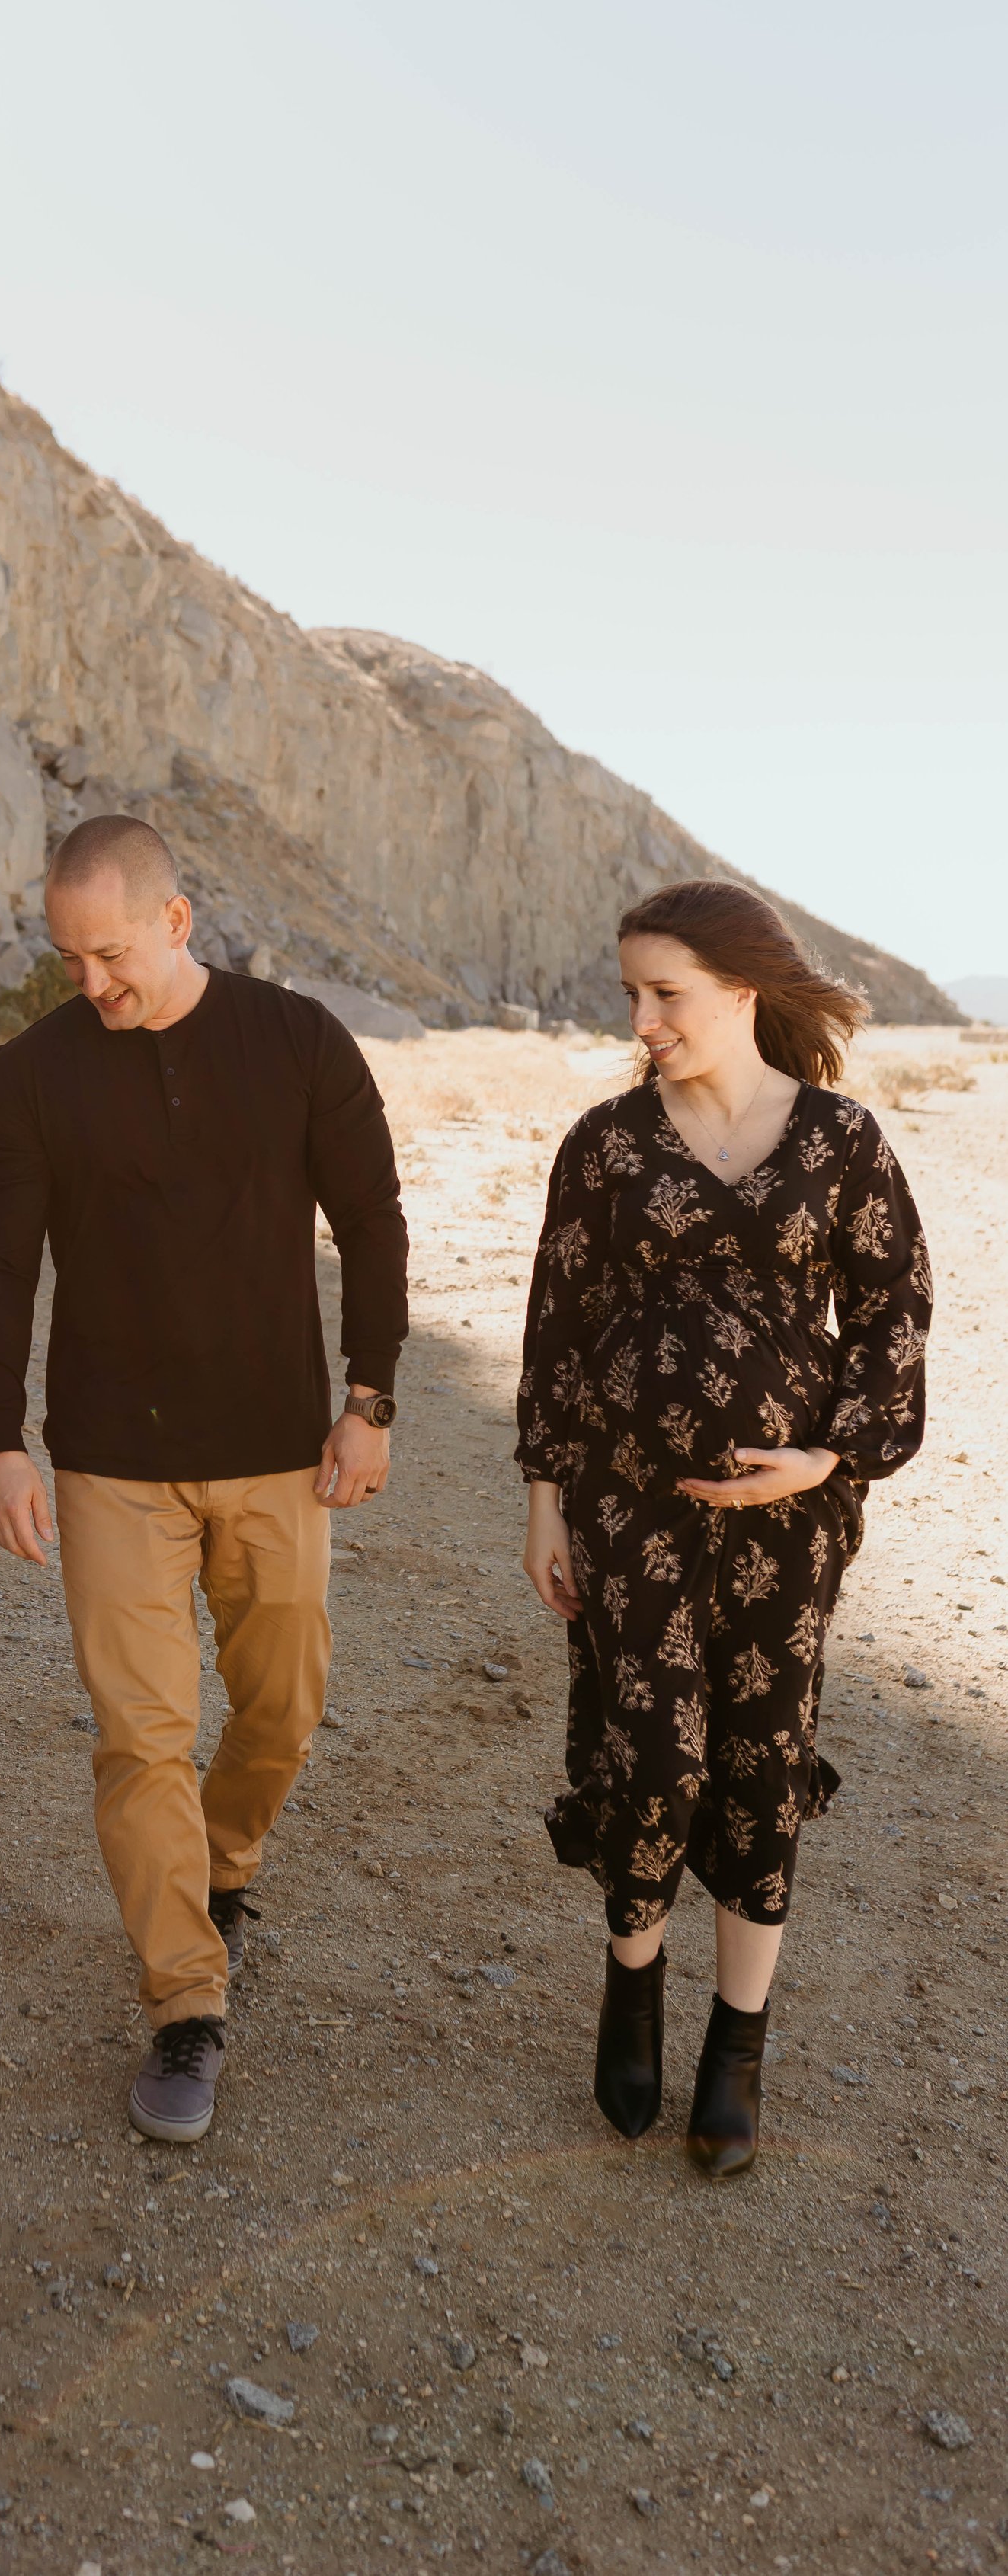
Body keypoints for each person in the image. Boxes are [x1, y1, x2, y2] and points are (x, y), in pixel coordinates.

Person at [0, 814, 409, 2143]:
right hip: (111, 1459)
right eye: (68, 959)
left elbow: (372, 1219)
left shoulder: (298, 1041)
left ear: (176, 920)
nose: (92, 984)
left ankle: (225, 1865)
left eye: (110, 953)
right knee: (142, 1737)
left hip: (277, 1446)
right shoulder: (32, 1074)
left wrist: (369, 1400)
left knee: (283, 1705)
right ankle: (183, 2003)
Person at [517, 881, 931, 2176]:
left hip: (792, 1524)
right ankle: (630, 1982)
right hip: (629, 1505)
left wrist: (826, 1456)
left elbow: (894, 1315)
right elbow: (559, 1328)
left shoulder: (845, 1144)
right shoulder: (605, 1146)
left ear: (742, 991)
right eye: (631, 993)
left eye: (666, 994)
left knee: (759, 1762)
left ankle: (735, 2046)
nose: (641, 1019)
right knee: (652, 1756)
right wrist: (545, 1499)